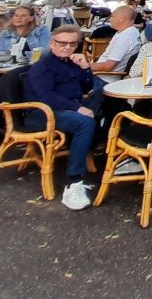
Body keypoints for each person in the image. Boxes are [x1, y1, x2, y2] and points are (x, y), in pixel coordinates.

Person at [24, 25, 102, 210]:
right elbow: (46, 97)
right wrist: (78, 108)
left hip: (69, 107)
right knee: (84, 123)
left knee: (109, 100)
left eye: (72, 43)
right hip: (43, 113)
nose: (67, 47)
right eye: (62, 43)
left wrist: (85, 69)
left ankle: (117, 158)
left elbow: (86, 87)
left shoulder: (71, 62)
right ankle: (73, 182)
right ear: (52, 43)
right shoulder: (43, 66)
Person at [90, 5, 141, 82]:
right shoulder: (133, 31)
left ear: (121, 19)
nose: (110, 19)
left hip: (102, 79)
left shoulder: (124, 37)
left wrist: (86, 66)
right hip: (103, 76)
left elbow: (108, 66)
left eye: (112, 16)